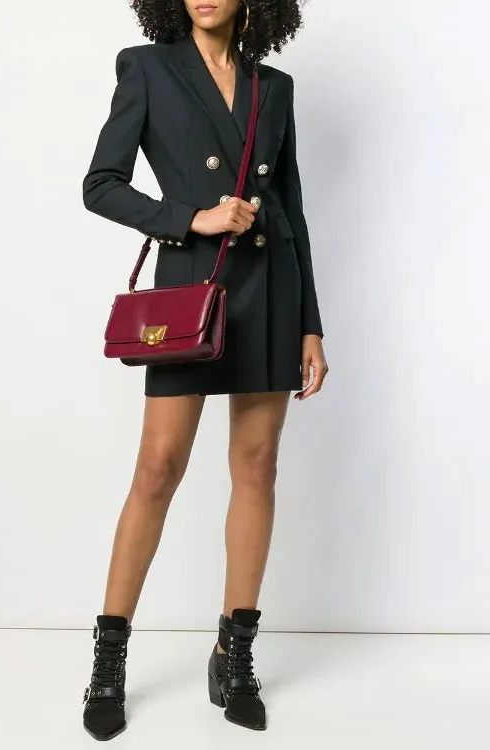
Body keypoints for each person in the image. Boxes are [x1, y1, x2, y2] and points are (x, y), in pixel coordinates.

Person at [80, 0, 329, 740]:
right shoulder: (147, 69)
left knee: (257, 466)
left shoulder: (273, 86)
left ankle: (234, 653)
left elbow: (291, 208)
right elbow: (101, 184)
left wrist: (311, 323)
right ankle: (109, 659)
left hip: (271, 289)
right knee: (157, 468)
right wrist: (192, 217)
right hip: (191, 285)